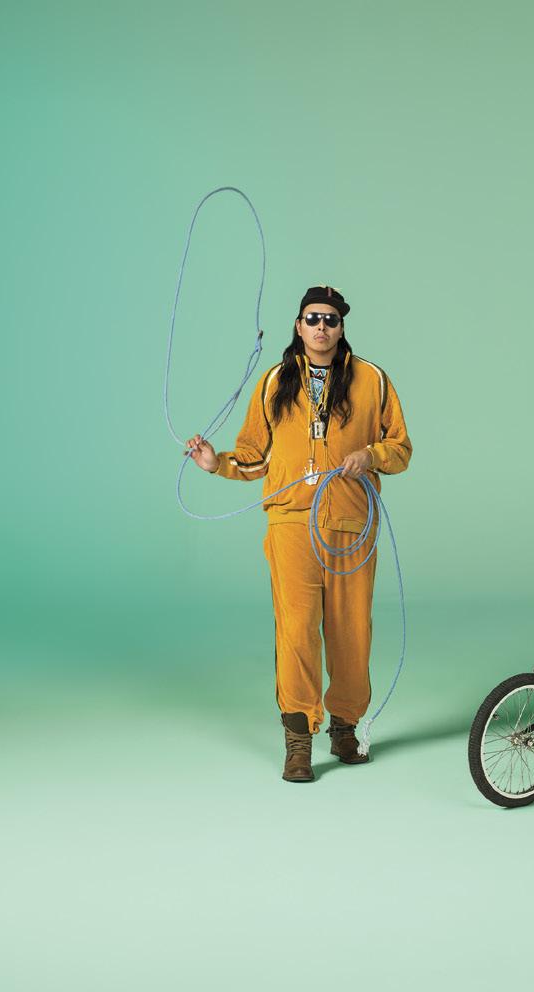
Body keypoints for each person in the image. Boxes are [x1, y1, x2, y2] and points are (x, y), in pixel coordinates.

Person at [185, 285, 411, 783]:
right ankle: (298, 740)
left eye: (330, 319)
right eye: (312, 318)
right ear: (298, 325)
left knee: (351, 632)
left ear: (342, 327)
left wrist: (370, 455)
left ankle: (345, 727)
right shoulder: (274, 382)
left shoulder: (372, 380)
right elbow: (254, 457)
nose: (321, 327)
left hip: (351, 524)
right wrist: (216, 463)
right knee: (296, 631)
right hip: (290, 523)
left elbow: (400, 448)